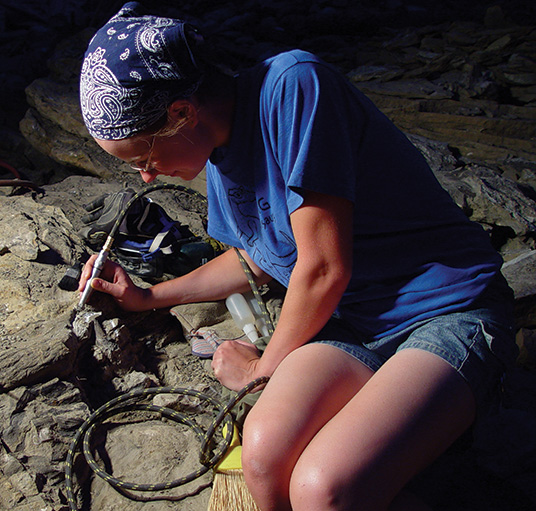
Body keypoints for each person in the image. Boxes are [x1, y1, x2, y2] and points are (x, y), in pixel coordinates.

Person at [77, 3, 517, 510]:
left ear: (181, 113)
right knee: (263, 458)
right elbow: (259, 258)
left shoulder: (294, 87)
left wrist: (261, 371)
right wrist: (147, 296)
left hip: (445, 310)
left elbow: (324, 267)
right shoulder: (219, 158)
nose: (147, 177)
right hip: (351, 324)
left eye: (145, 158)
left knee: (322, 487)